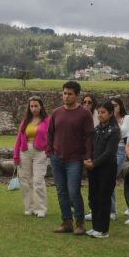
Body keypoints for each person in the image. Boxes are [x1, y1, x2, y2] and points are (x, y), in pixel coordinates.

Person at [46, 81, 93, 235]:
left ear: (77, 95)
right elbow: (50, 133)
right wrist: (50, 151)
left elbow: (88, 137)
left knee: (73, 192)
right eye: (64, 93)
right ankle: (66, 222)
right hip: (56, 158)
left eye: (70, 94)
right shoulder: (56, 112)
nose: (66, 96)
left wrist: (87, 156)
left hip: (75, 159)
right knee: (61, 192)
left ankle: (80, 224)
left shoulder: (85, 114)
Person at [85, 102, 121, 238]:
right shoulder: (98, 129)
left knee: (103, 198)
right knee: (93, 197)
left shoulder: (114, 130)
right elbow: (92, 147)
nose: (100, 115)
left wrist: (94, 163)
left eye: (103, 112)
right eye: (99, 112)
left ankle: (103, 230)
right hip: (94, 167)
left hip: (107, 168)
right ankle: (96, 227)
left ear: (110, 114)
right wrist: (89, 159)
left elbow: (109, 152)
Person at [13, 96, 50, 218]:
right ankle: (29, 207)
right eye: (32, 106)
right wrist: (16, 156)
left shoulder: (47, 121)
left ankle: (40, 209)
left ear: (41, 106)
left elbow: (51, 137)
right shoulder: (25, 121)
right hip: (24, 151)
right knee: (25, 181)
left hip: (40, 153)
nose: (34, 108)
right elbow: (18, 139)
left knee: (38, 181)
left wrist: (48, 151)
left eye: (36, 106)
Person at [111, 96, 129, 219]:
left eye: (115, 105)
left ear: (120, 106)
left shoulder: (127, 118)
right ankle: (109, 210)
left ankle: (112, 211)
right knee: (107, 179)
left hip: (120, 150)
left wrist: (113, 121)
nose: (113, 108)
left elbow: (123, 132)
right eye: (111, 106)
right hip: (109, 150)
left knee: (109, 177)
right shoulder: (107, 117)